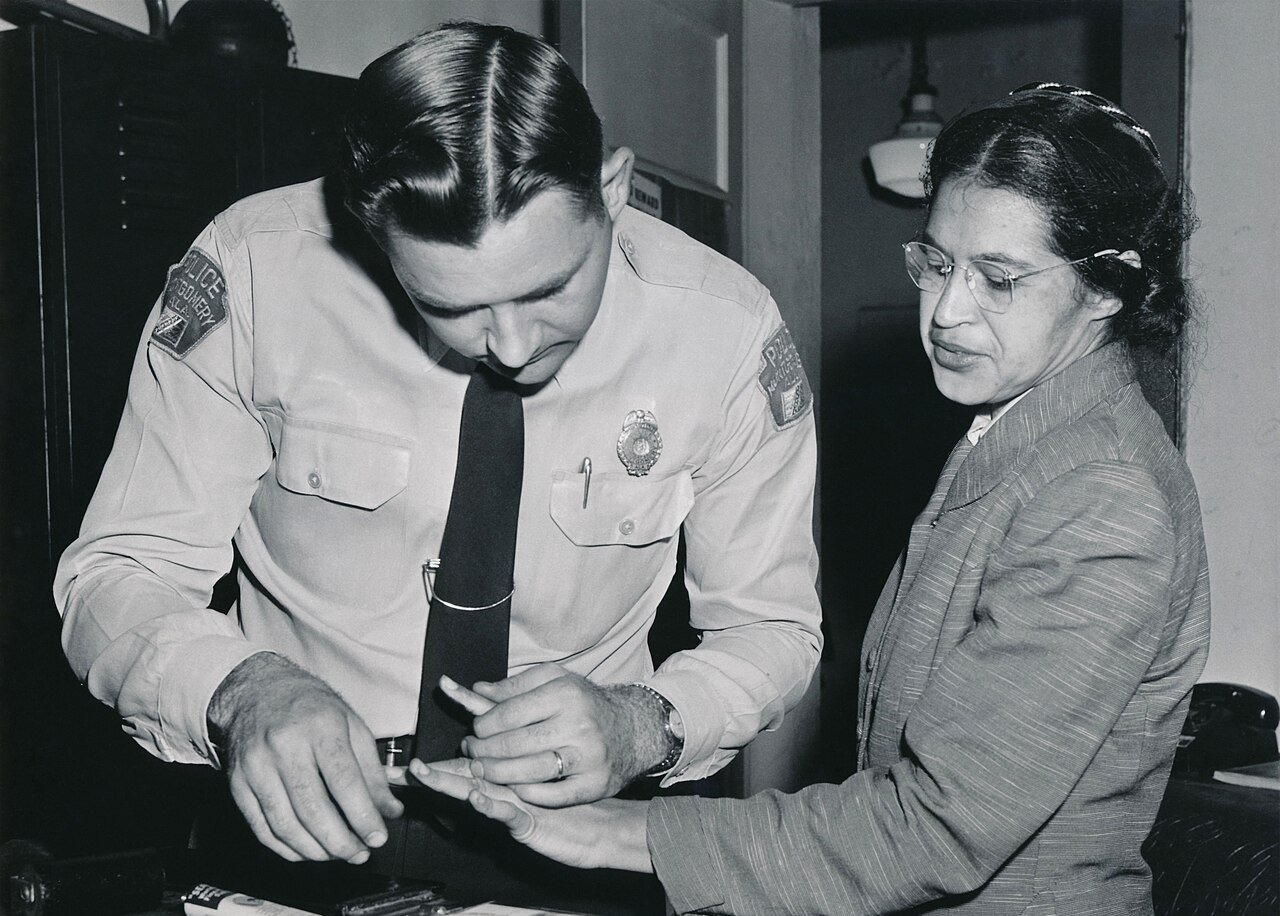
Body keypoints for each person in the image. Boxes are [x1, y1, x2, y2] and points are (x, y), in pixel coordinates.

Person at [53, 22, 822, 914]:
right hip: (292, 853)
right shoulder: (255, 271)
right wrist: (241, 691)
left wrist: (645, 721)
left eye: (549, 289)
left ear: (612, 188)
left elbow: (773, 629)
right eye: (448, 305)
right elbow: (118, 573)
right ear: (371, 233)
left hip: (581, 854)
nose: (511, 346)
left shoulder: (723, 332)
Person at [416, 82, 1211, 915]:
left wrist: (616, 833)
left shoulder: (1103, 495)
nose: (945, 311)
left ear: (1110, 287)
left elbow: (937, 826)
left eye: (999, 279)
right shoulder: (1024, 434)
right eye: (936, 264)